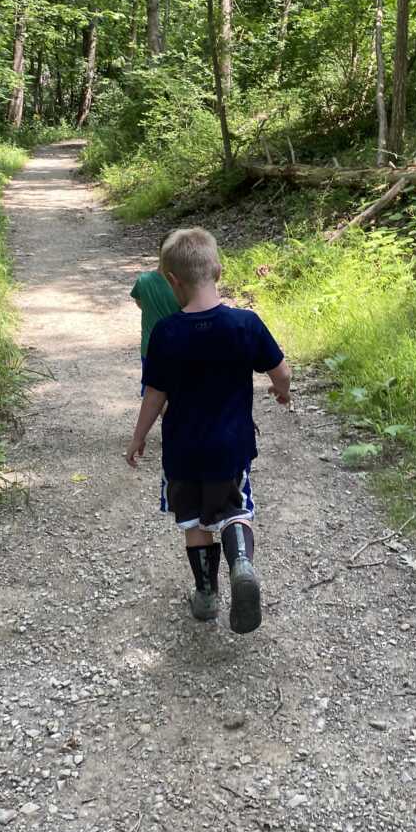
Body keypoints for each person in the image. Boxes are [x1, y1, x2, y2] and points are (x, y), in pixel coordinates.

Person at [125, 227, 291, 633]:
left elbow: (155, 394)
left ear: (171, 280)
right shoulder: (245, 324)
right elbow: (282, 371)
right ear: (217, 270)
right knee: (235, 510)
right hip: (231, 448)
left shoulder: (166, 333)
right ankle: (242, 565)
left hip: (183, 454)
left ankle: (206, 594)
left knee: (197, 523)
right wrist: (281, 391)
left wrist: (139, 435)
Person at [130, 238, 181, 393]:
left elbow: (140, 303)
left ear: (160, 253)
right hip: (177, 348)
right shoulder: (182, 286)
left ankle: (169, 417)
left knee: (153, 392)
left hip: (150, 348)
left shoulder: (143, 280)